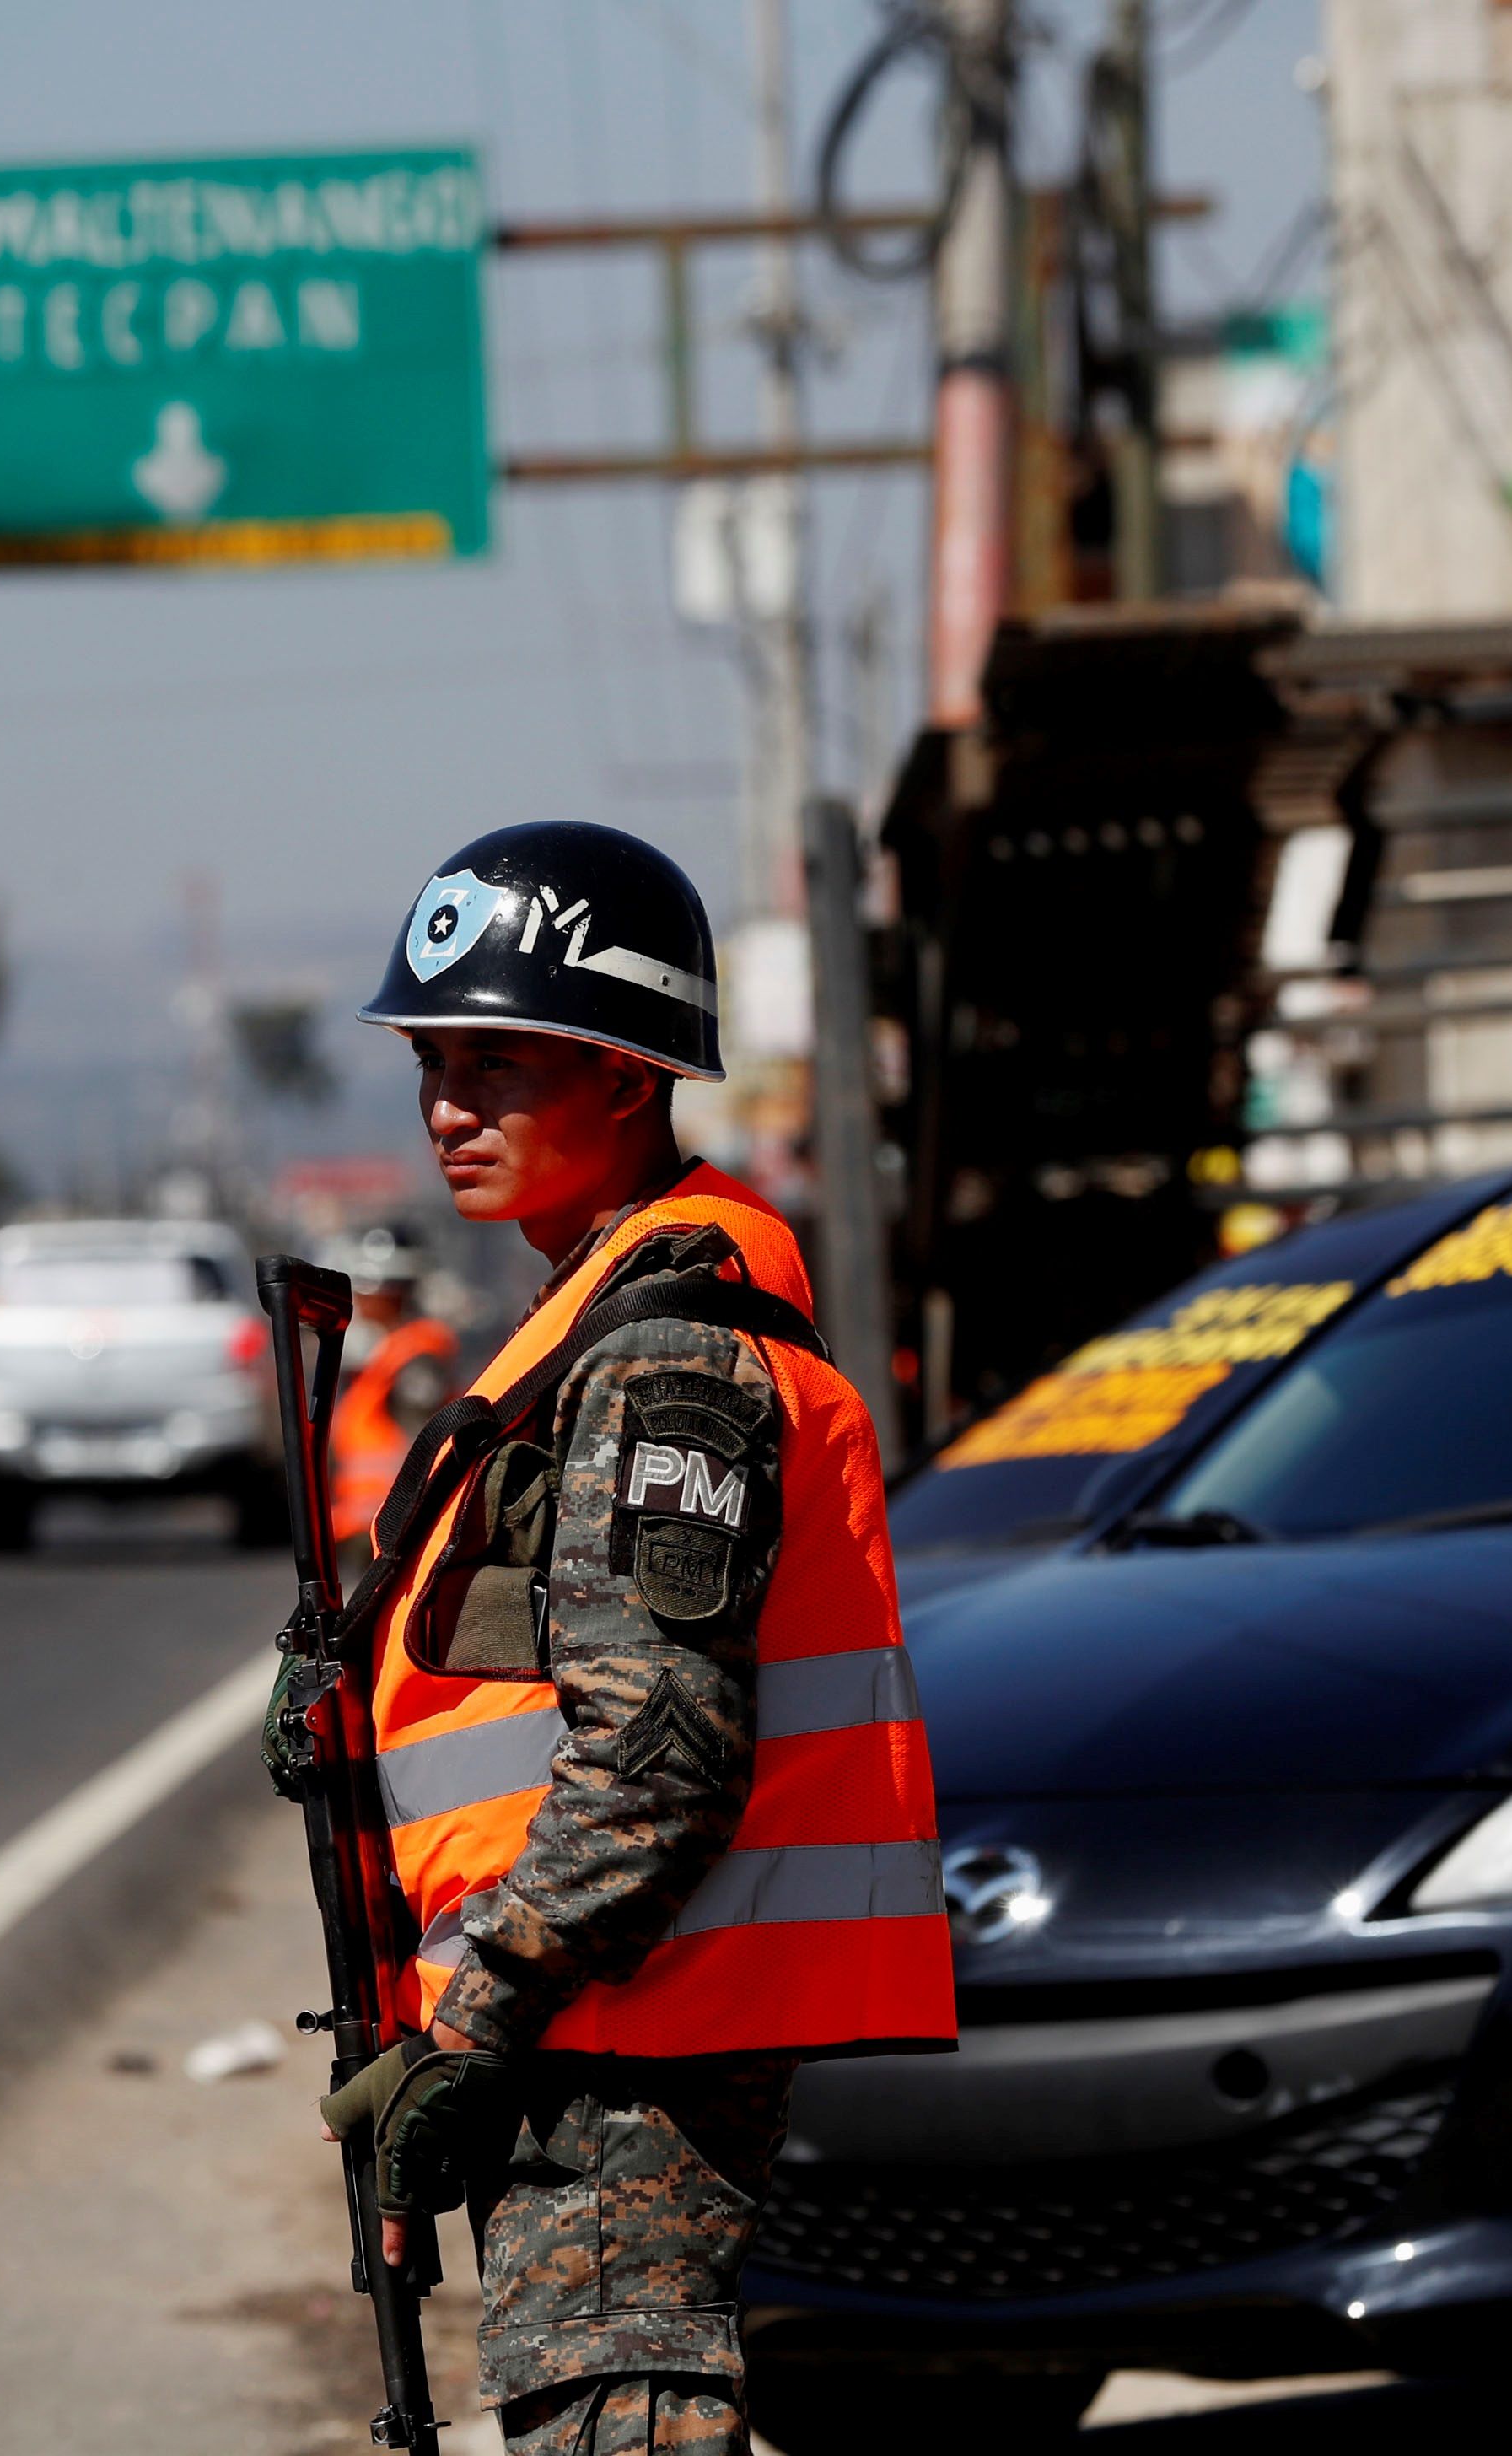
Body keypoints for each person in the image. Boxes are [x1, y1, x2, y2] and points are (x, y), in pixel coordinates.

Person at [293, 822, 955, 2456]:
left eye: (501, 1062)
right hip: (599, 2003)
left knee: (620, 2412)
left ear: (627, 1074)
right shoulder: (586, 1312)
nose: (451, 1105)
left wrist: (481, 2010)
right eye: (435, 1062)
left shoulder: (670, 1359)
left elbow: (659, 1755)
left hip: (628, 2017)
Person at [326, 1230, 460, 1580]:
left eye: (364, 1289)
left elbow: (425, 1442)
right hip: (374, 1526)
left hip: (397, 1528)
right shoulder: (390, 1354)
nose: (358, 1299)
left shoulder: (417, 1356)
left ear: (389, 1291)